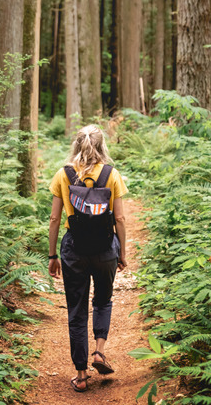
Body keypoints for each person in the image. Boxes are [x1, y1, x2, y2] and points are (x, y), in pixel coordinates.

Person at [48, 124, 129, 393]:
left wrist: (52, 255)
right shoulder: (111, 174)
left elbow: (55, 218)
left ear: (76, 145)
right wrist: (122, 252)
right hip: (106, 248)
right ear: (102, 145)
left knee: (77, 309)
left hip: (74, 250)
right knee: (103, 300)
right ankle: (99, 352)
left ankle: (81, 375)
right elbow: (119, 218)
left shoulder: (63, 175)